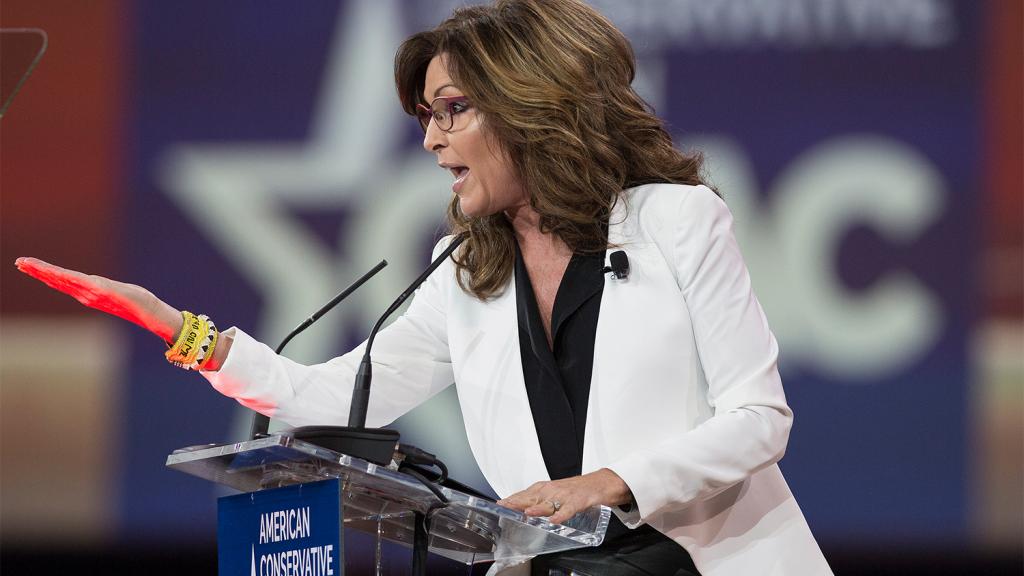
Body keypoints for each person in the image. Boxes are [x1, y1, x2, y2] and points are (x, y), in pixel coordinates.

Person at [16, 1, 833, 574]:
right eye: (423, 117)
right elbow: (326, 402)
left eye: (452, 109)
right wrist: (186, 334)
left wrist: (608, 484)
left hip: (702, 563)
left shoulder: (675, 221)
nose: (431, 138)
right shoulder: (466, 272)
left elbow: (759, 421)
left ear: (530, 106)